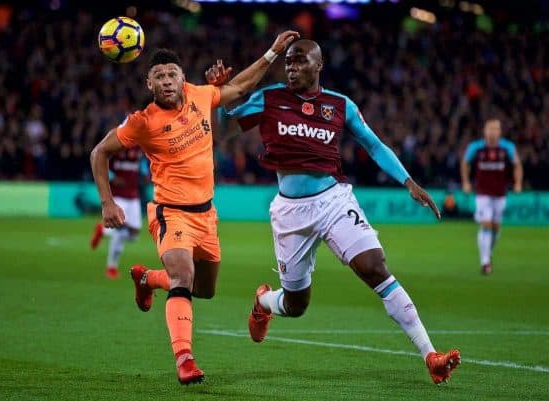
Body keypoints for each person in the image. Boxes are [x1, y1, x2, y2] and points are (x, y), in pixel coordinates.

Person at [207, 39, 460, 384]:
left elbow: (373, 143)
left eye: (299, 62)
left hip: (334, 201)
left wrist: (408, 181)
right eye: (289, 63)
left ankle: (430, 356)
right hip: (290, 212)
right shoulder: (271, 98)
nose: (291, 68)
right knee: (296, 305)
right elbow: (221, 134)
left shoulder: (340, 106)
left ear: (319, 65)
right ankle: (264, 303)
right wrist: (219, 96)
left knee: (375, 267)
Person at [89, 30, 300, 385]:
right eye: (159, 76)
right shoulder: (142, 121)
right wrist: (107, 202)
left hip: (207, 215)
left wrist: (272, 53)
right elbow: (99, 153)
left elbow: (238, 89)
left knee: (204, 290)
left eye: (172, 74)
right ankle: (185, 360)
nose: (167, 81)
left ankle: (147, 279)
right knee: (183, 278)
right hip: (171, 213)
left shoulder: (198, 96)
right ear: (149, 84)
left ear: (182, 78)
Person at [461, 118, 523, 275]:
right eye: (490, 129)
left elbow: (517, 165)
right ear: (485, 131)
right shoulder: (475, 147)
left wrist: (518, 183)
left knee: (495, 228)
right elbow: (465, 163)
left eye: (496, 129)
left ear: (500, 132)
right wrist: (466, 182)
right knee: (486, 224)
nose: (493, 132)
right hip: (482, 193)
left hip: (500, 193)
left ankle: (487, 253)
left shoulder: (508, 147)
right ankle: (485, 262)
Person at [89, 147, 148, 279]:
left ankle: (103, 231)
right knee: (119, 230)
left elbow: (142, 164)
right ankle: (111, 267)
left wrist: (145, 174)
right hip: (118, 196)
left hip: (133, 195)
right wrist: (112, 177)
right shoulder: (117, 146)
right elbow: (100, 161)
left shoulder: (139, 148)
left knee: (134, 234)